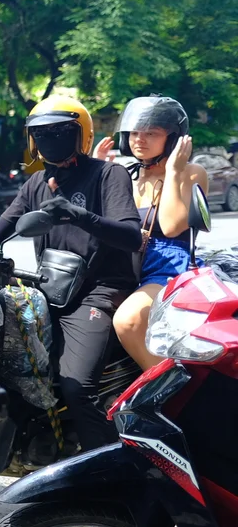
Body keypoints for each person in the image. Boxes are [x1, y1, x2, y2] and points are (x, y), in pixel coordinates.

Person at [0, 95, 141, 460]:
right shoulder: (35, 184)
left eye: (60, 132)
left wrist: (78, 215)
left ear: (81, 135)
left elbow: (130, 236)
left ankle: (106, 471)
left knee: (77, 387)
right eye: (42, 134)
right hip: (48, 291)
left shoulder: (108, 175)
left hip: (98, 293)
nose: (50, 140)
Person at [93, 96, 207, 369]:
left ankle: (169, 389)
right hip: (122, 263)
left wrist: (173, 172)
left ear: (173, 139)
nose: (139, 140)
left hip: (165, 266)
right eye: (134, 133)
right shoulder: (125, 174)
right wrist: (96, 171)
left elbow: (170, 226)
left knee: (129, 319)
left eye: (151, 133)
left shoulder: (191, 172)